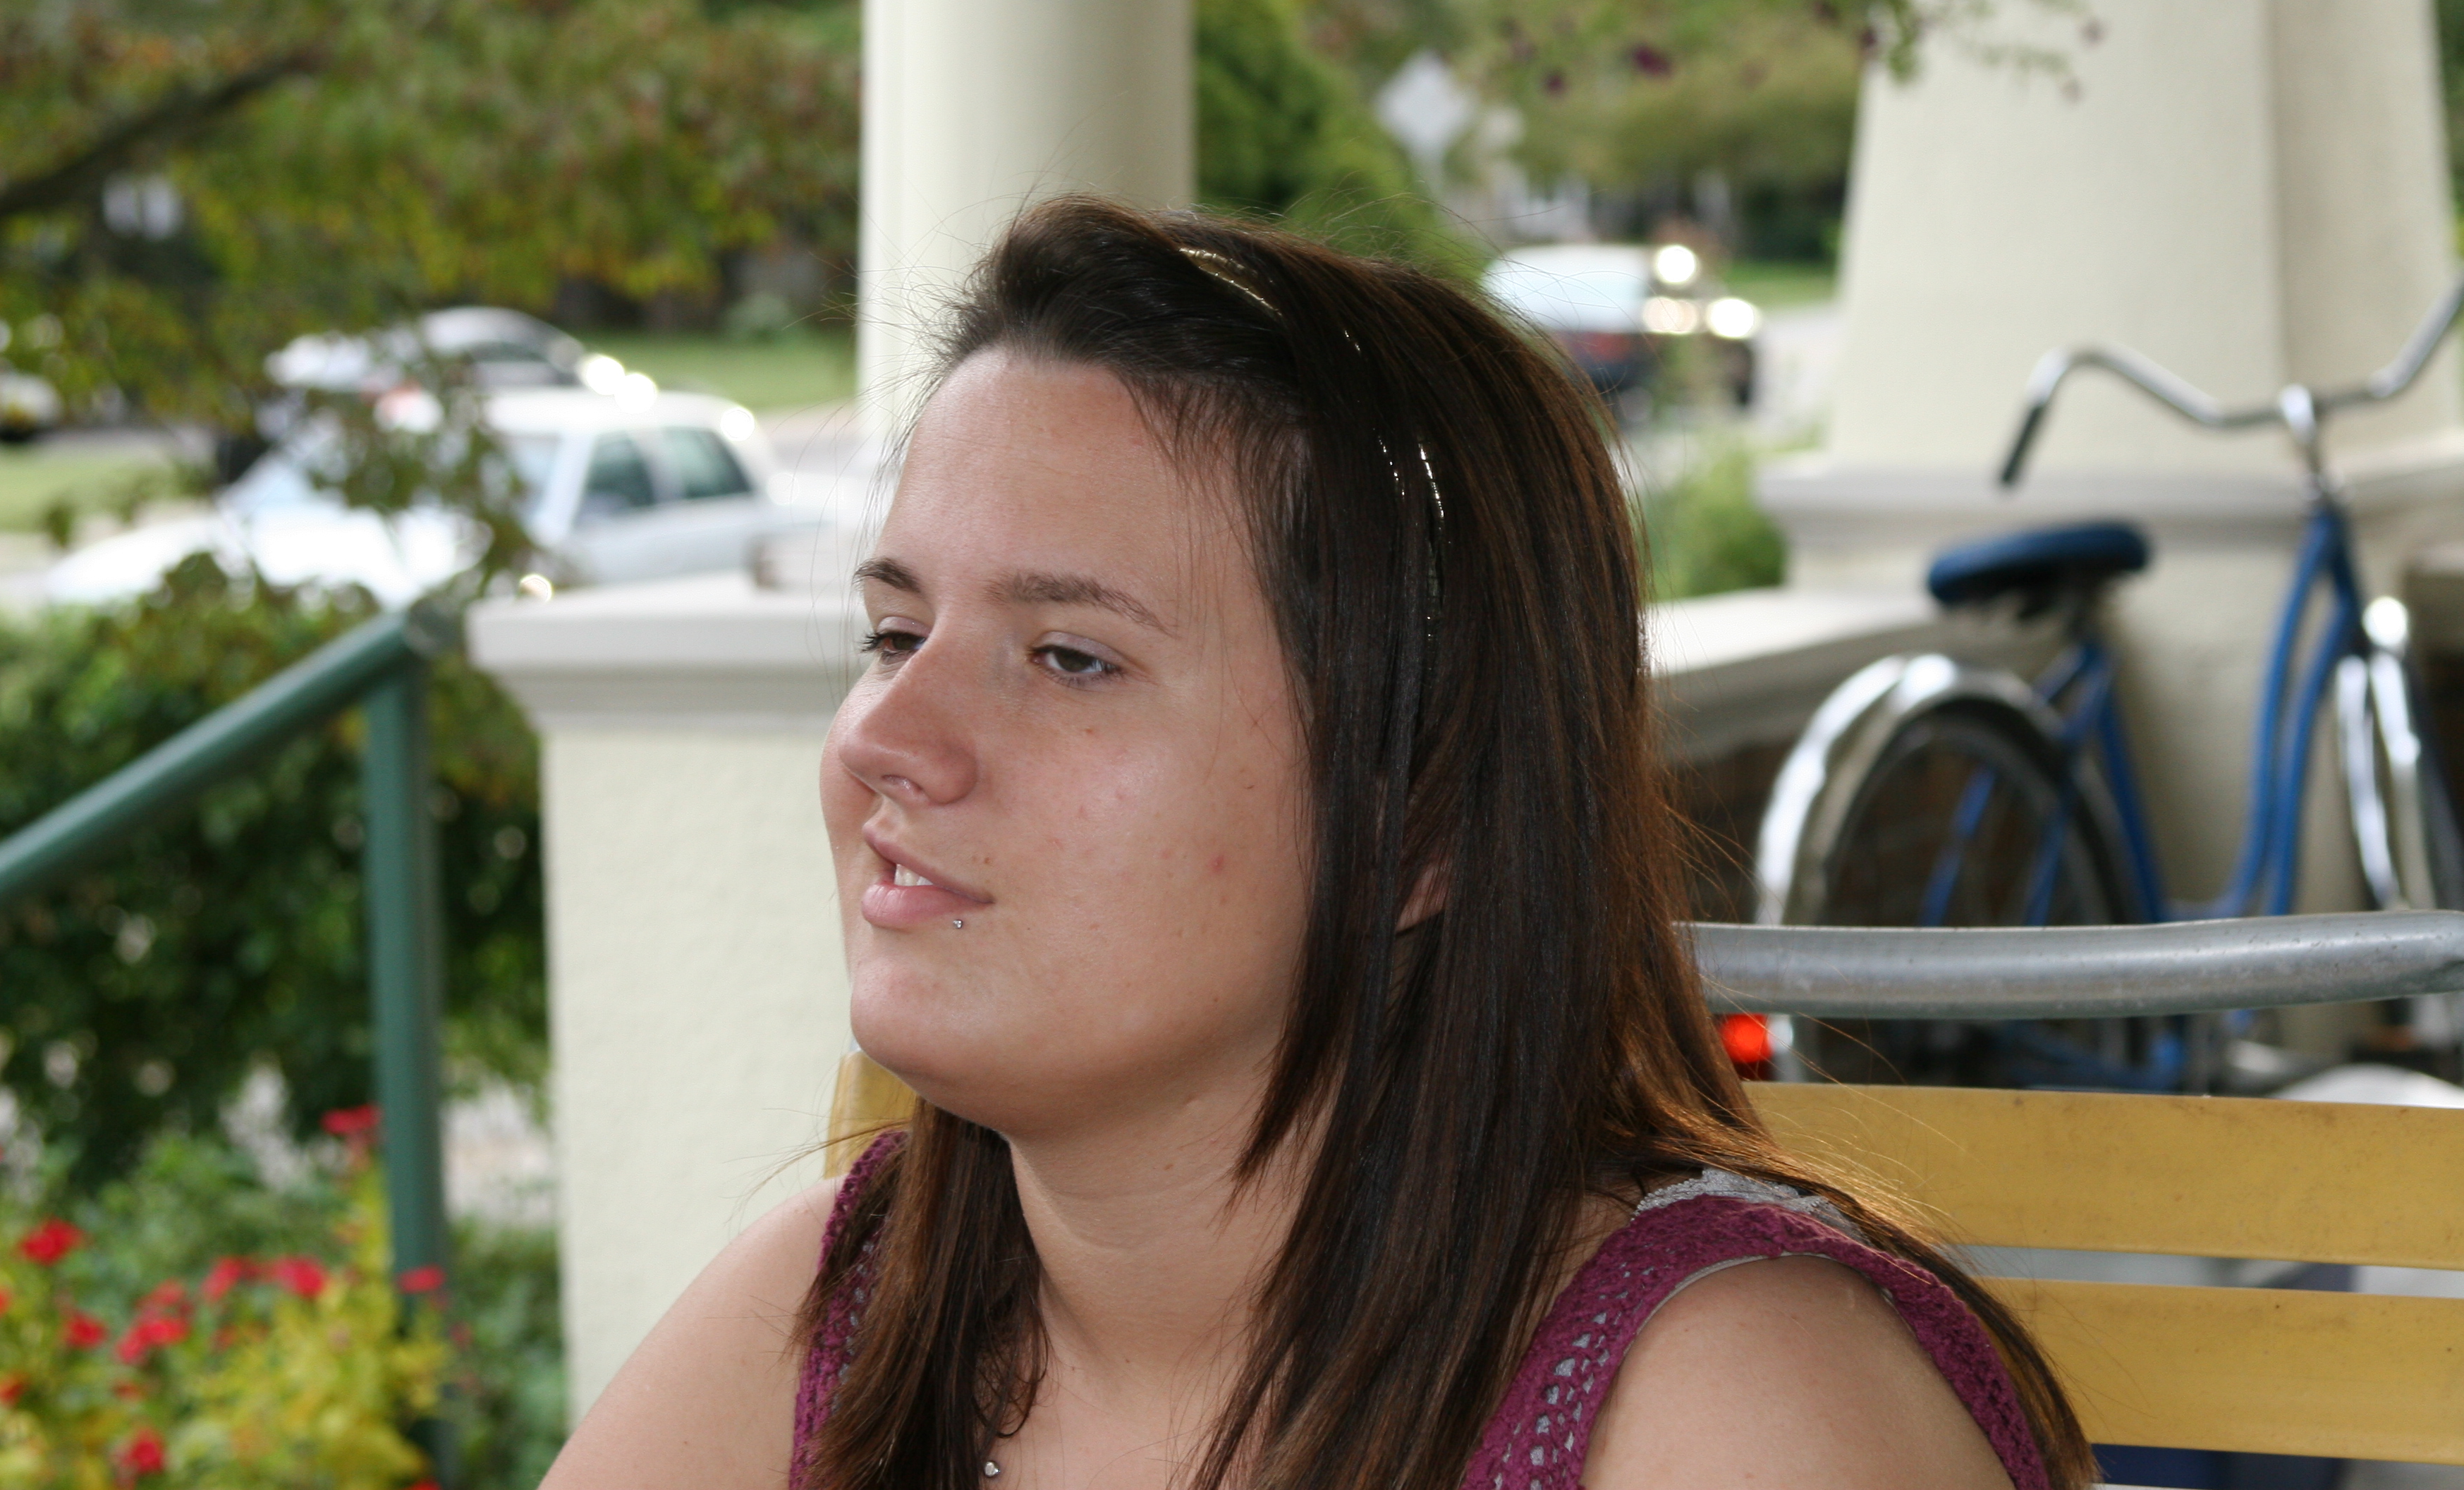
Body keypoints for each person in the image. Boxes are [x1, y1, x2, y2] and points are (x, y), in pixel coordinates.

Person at [542, 197, 2093, 1490]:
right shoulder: (837, 1319)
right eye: (895, 632)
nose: (887, 736)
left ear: (1421, 816)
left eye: (1071, 657)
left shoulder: (1731, 1411)